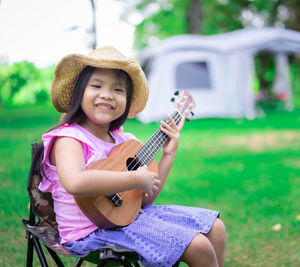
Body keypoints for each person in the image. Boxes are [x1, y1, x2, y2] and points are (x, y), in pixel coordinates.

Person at [37, 46, 226, 267]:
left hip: (127, 220)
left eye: (118, 90)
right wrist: (134, 178)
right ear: (79, 92)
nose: (107, 94)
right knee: (199, 246)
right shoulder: (69, 138)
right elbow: (76, 182)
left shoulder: (124, 141)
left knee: (216, 228)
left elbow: (143, 200)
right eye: (96, 85)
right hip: (89, 234)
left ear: (126, 101)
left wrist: (168, 153)